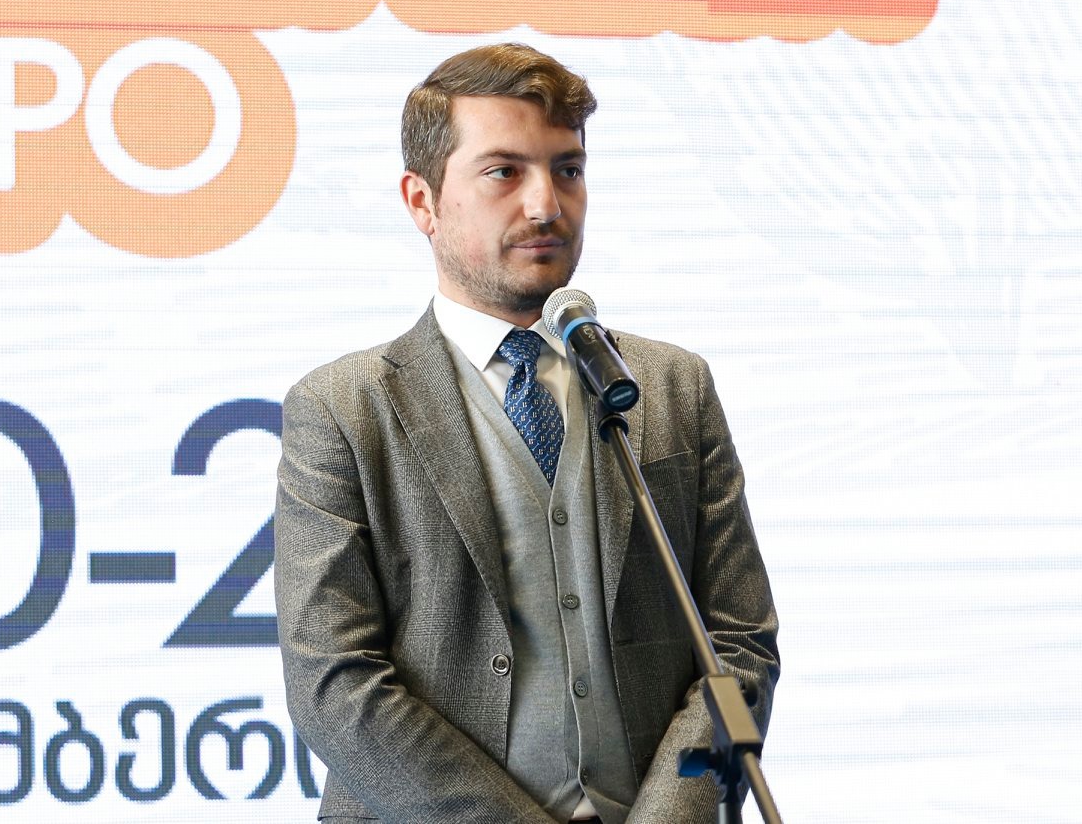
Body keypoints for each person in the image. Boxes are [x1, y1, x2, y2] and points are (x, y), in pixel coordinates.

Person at [275, 42, 779, 824]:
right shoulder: (343, 409)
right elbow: (333, 687)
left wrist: (672, 814)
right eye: (503, 172)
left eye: (567, 169)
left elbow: (739, 648)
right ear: (421, 201)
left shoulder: (672, 387)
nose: (546, 205)